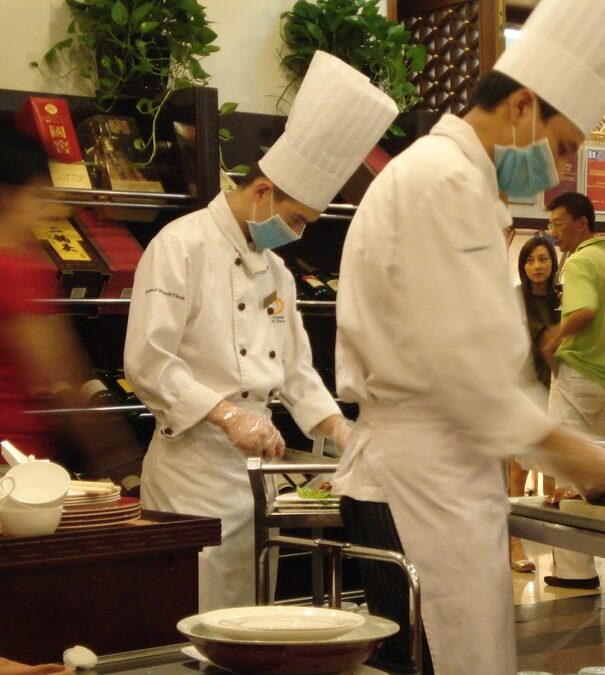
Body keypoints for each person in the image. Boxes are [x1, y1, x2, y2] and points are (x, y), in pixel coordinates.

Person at [331, 1, 605, 672]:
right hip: (417, 485)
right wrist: (575, 454)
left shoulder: (450, 178)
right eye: (562, 147)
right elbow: (460, 366)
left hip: (437, 478)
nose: (557, 173)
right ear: (523, 105)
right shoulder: (443, 179)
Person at [123, 51, 398, 611]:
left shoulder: (276, 270)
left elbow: (295, 371)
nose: (296, 234)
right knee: (197, 622)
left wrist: (342, 434)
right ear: (265, 190)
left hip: (260, 476)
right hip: (191, 478)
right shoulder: (180, 246)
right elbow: (148, 363)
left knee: (252, 622)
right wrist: (227, 415)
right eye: (296, 219)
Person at [0, 124, 142, 485]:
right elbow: (55, 364)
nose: (45, 211)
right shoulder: (14, 268)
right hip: (14, 464)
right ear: (8, 195)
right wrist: (120, 458)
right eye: (37, 197)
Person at [541, 191, 605, 590]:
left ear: (582, 224)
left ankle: (575, 570)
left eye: (558, 223)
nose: (553, 232)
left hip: (580, 373)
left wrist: (555, 335)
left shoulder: (582, 260)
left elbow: (584, 311)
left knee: (567, 467)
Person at [509, 233, 560, 573]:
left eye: (542, 259)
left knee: (555, 468)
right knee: (518, 467)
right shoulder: (513, 298)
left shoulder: (561, 298)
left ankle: (562, 549)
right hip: (519, 387)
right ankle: (514, 544)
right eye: (530, 260)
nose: (536, 266)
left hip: (556, 386)